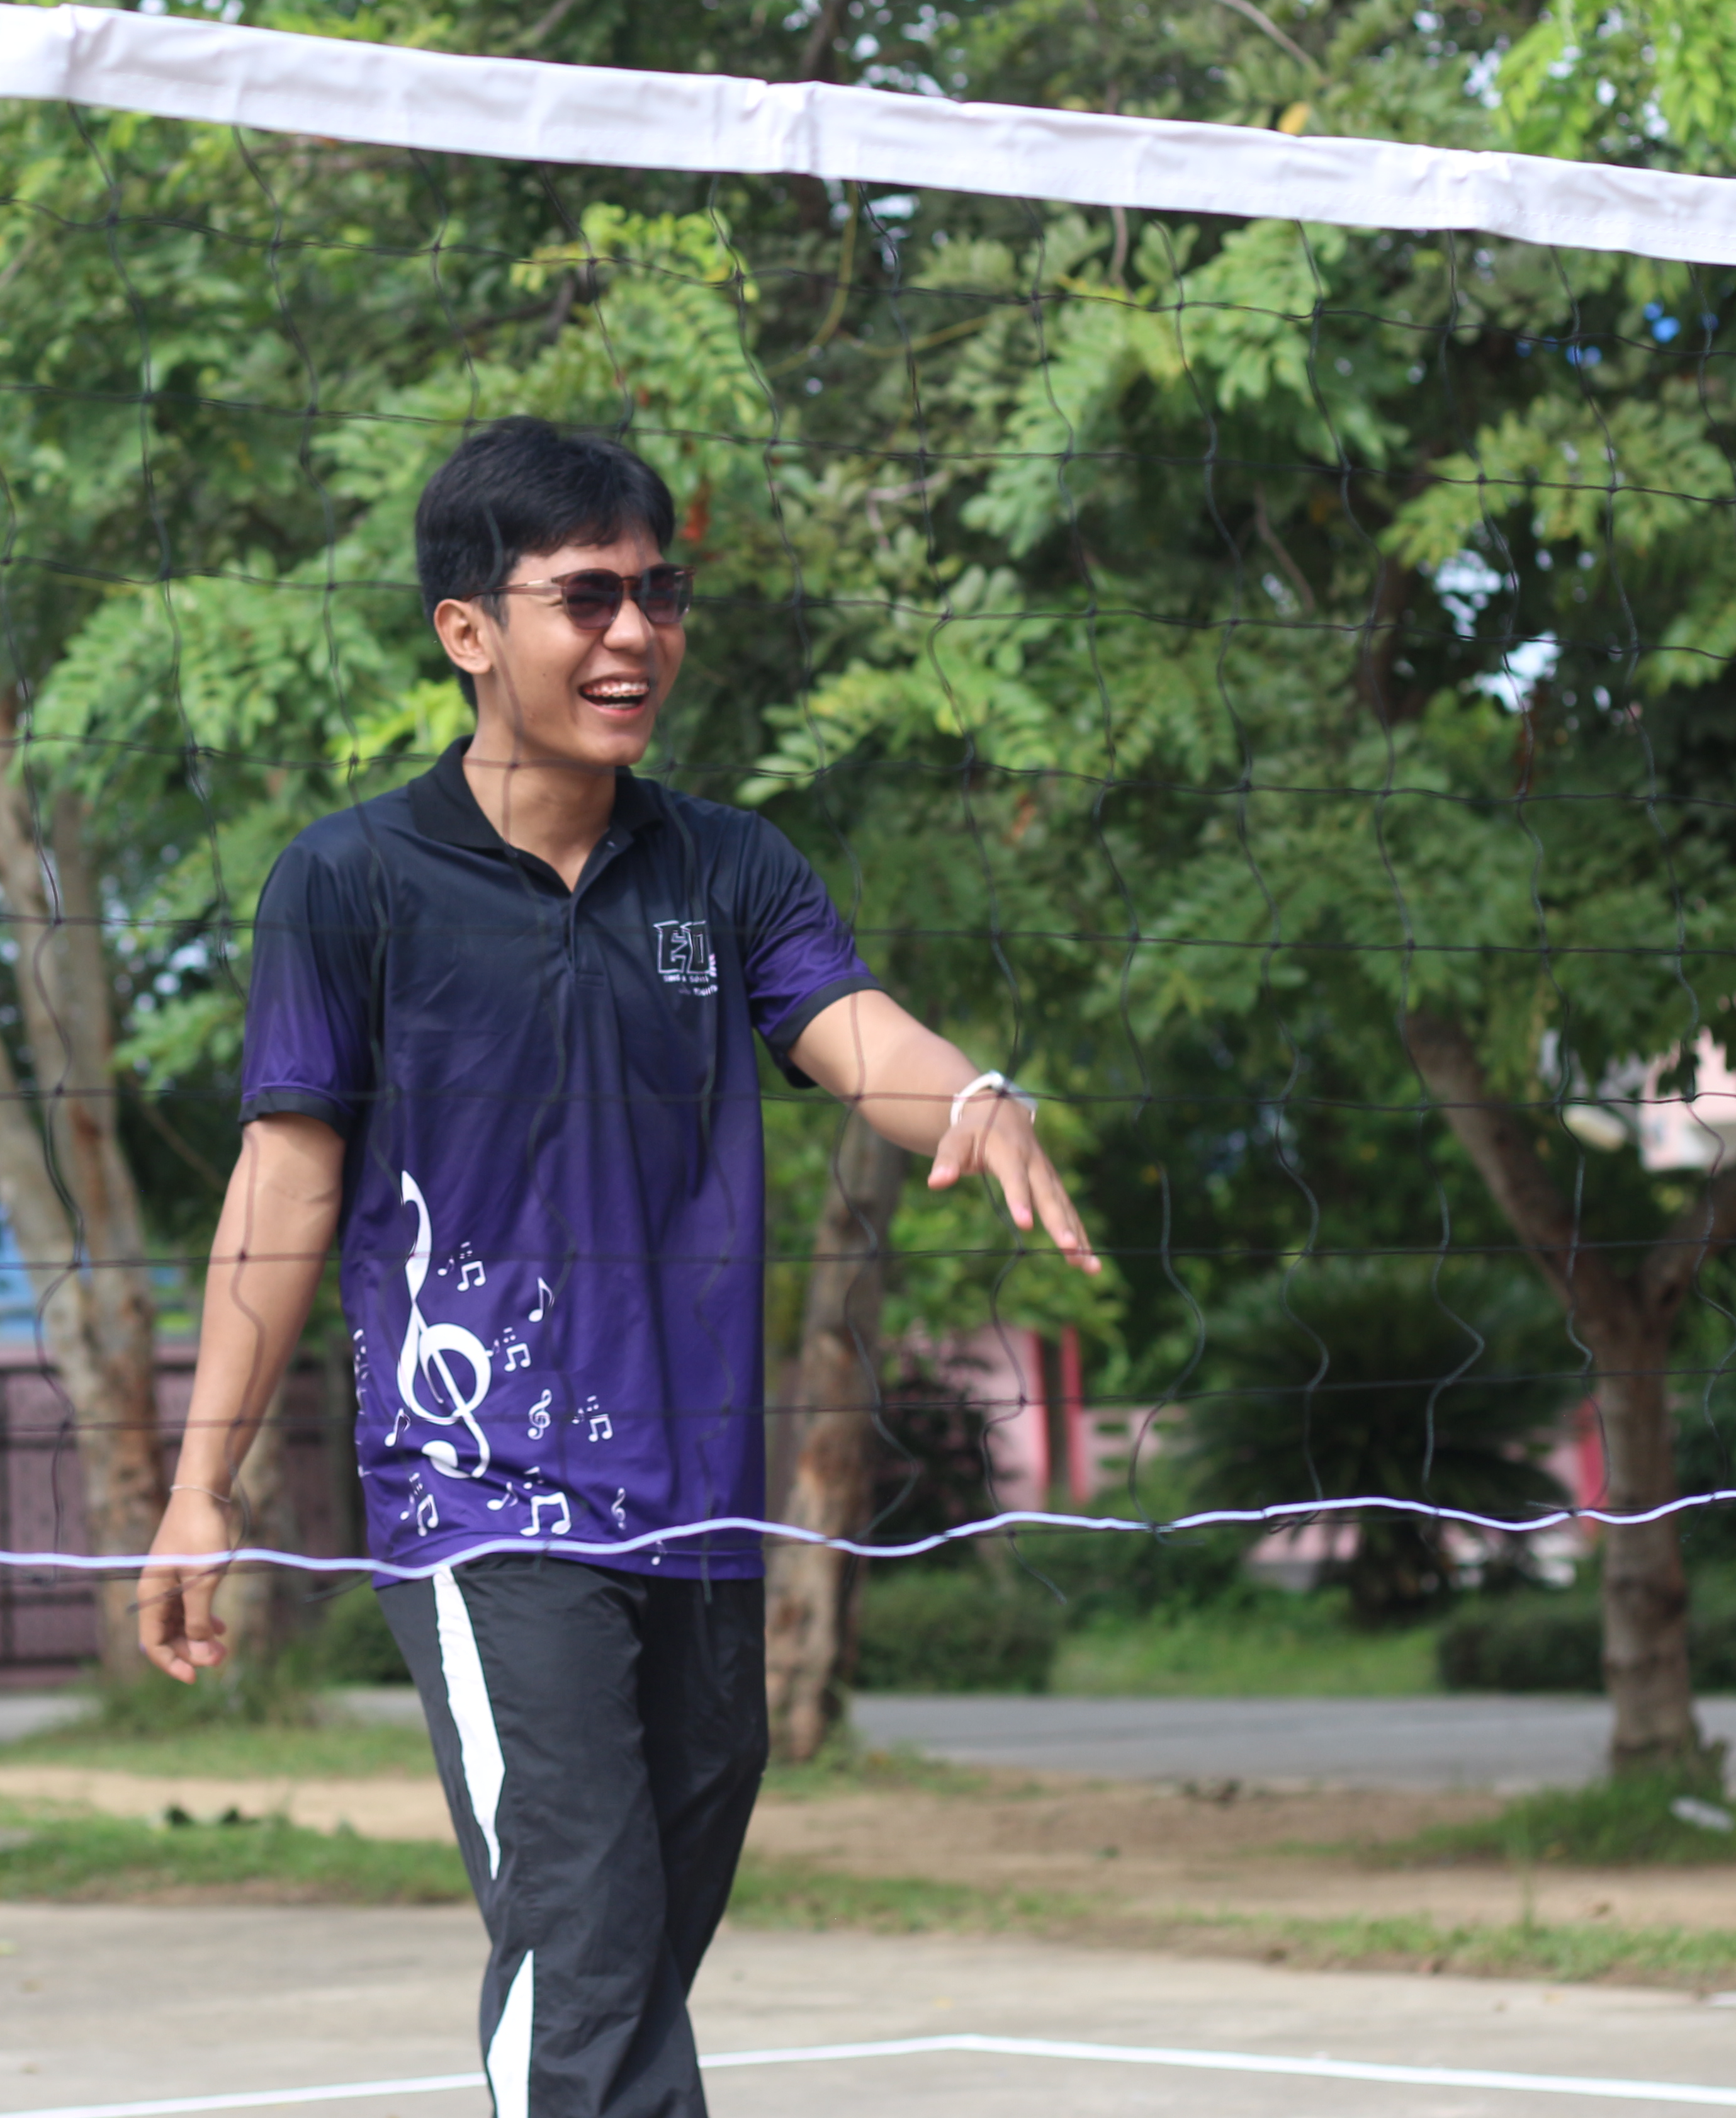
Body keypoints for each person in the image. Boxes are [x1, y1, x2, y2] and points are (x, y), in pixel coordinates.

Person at [135, 416, 1096, 2118]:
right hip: (482, 1497)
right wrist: (200, 1486)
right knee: (587, 1959)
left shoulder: (728, 867)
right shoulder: (349, 884)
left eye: (661, 593)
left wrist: (975, 1096)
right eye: (586, 597)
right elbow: (282, 1184)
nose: (635, 633)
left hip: (702, 1505)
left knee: (632, 1951)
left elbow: (852, 1028)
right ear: (467, 628)